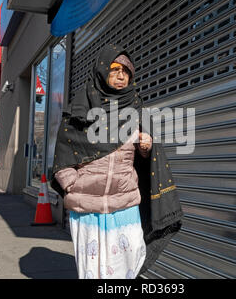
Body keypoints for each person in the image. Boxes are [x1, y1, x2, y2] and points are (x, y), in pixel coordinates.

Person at [51, 44, 183, 279]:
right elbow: (63, 152)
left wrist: (147, 148)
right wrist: (73, 184)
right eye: (115, 69)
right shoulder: (82, 108)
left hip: (125, 205)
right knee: (93, 272)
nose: (121, 75)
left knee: (128, 263)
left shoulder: (136, 109)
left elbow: (146, 164)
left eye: (126, 71)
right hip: (87, 207)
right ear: (102, 71)